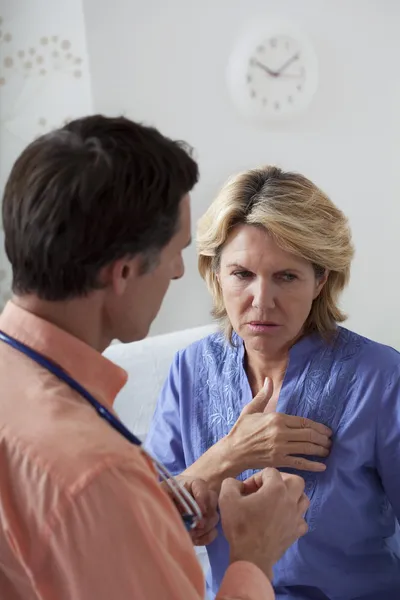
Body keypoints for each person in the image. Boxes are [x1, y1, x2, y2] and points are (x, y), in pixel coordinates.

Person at [0, 116, 309, 600]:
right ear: (123, 272)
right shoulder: (98, 475)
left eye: (288, 276)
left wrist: (155, 514)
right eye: (175, 251)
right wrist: (254, 557)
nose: (180, 270)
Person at [146, 166, 400, 600]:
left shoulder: (379, 378)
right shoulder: (189, 371)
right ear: (215, 273)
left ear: (321, 279)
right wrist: (228, 455)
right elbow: (139, 526)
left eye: (286, 276)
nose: (261, 301)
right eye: (241, 274)